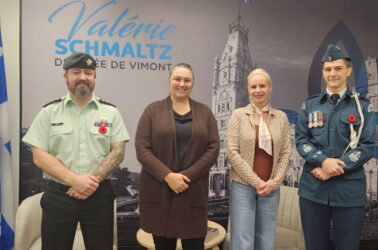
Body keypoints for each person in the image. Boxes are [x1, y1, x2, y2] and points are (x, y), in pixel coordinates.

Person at [22, 52, 130, 250]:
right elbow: (39, 155)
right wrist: (75, 180)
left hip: (99, 196)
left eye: (88, 73)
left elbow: (118, 152)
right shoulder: (49, 112)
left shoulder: (110, 112)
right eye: (76, 72)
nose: (83, 77)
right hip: (59, 196)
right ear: (66, 76)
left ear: (95, 77)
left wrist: (90, 182)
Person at [295, 44, 376, 250]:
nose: (333, 73)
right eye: (328, 69)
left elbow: (367, 145)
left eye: (338, 68)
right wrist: (323, 161)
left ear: (348, 71)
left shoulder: (362, 106)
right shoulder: (309, 105)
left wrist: (332, 169)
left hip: (348, 192)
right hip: (313, 191)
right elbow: (301, 141)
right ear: (323, 72)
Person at [135, 63, 220, 250]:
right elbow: (142, 149)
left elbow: (213, 148)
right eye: (177, 79)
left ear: (193, 83)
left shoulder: (205, 113)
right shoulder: (152, 111)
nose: (182, 83)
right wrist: (168, 176)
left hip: (192, 191)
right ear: (169, 80)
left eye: (187, 80)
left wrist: (187, 176)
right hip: (161, 191)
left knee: (195, 245)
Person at [227, 68, 291, 250]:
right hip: (242, 187)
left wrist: (274, 181)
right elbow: (232, 152)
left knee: (266, 239)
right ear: (248, 89)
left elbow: (286, 151)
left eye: (262, 86)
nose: (258, 90)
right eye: (253, 86)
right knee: (243, 240)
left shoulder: (281, 117)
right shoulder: (238, 115)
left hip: (271, 188)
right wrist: (256, 182)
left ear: (270, 87)